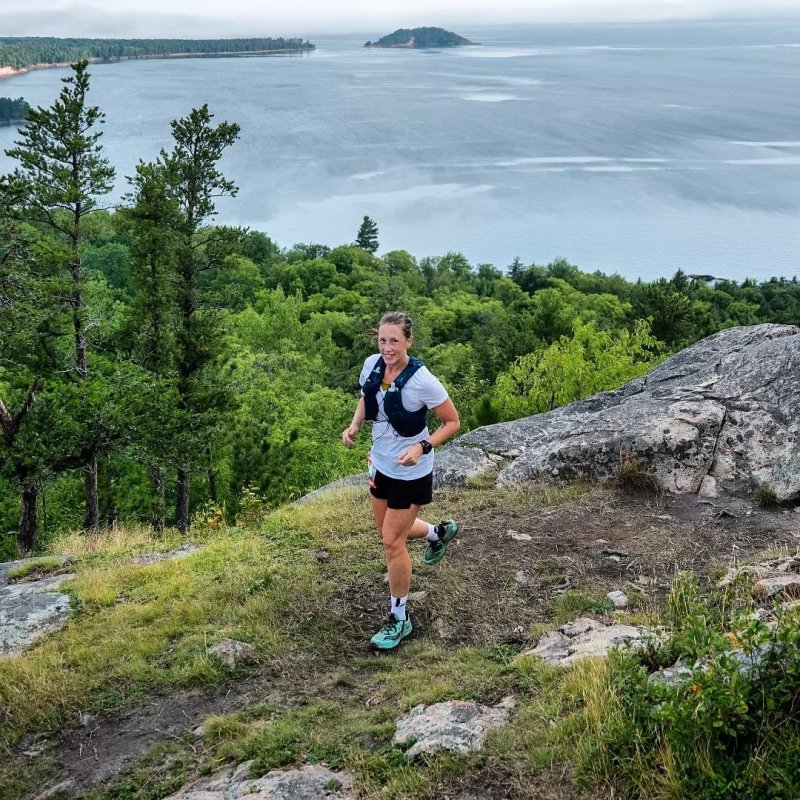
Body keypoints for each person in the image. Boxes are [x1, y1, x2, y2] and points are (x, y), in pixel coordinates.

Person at [342, 311, 461, 650]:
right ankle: (438, 533)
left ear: (408, 341)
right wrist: (355, 426)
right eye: (382, 340)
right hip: (380, 465)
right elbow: (367, 399)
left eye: (394, 340)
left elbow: (452, 422)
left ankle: (400, 618)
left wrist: (421, 447)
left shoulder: (423, 380)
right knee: (388, 532)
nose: (387, 347)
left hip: (412, 472)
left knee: (392, 542)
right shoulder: (372, 365)